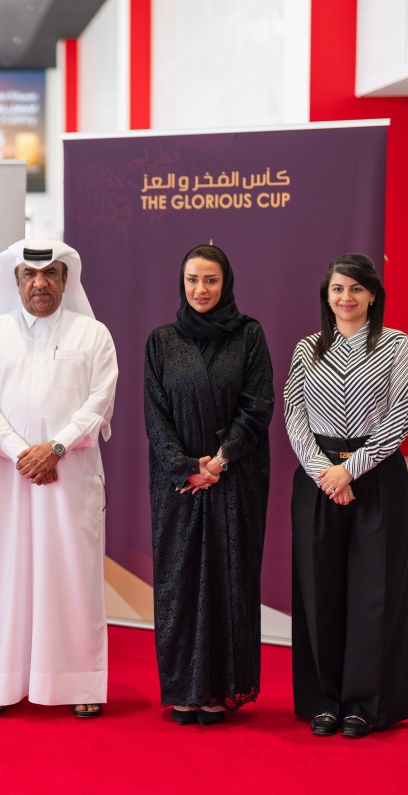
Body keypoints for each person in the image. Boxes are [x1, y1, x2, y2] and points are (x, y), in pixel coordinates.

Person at [0, 238, 118, 719]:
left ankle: (78, 682)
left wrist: (54, 448)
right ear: (15, 281)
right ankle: (0, 682)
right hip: (9, 477)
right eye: (30, 275)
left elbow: (100, 401)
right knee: (5, 578)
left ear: (65, 280)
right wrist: (20, 453)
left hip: (70, 475)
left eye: (50, 274)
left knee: (72, 575)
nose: (40, 283)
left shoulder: (93, 335)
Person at [285, 253, 408, 739]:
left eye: (356, 289)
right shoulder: (307, 350)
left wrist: (351, 471)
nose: (346, 298)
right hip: (318, 478)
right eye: (338, 289)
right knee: (319, 589)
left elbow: (402, 414)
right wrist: (326, 472)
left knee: (374, 591)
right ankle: (325, 699)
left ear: (373, 295)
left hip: (376, 476)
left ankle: (365, 703)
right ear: (327, 294)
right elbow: (294, 416)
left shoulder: (396, 346)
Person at [143, 244, 274, 726]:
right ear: (182, 282)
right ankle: (183, 689)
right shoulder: (160, 341)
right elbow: (154, 415)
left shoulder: (249, 335)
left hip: (234, 477)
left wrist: (218, 461)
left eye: (211, 280)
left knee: (228, 578)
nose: (201, 289)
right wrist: (185, 466)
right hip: (177, 483)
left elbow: (258, 404)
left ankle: (219, 690)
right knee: (178, 583)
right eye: (193, 279)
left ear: (227, 284)